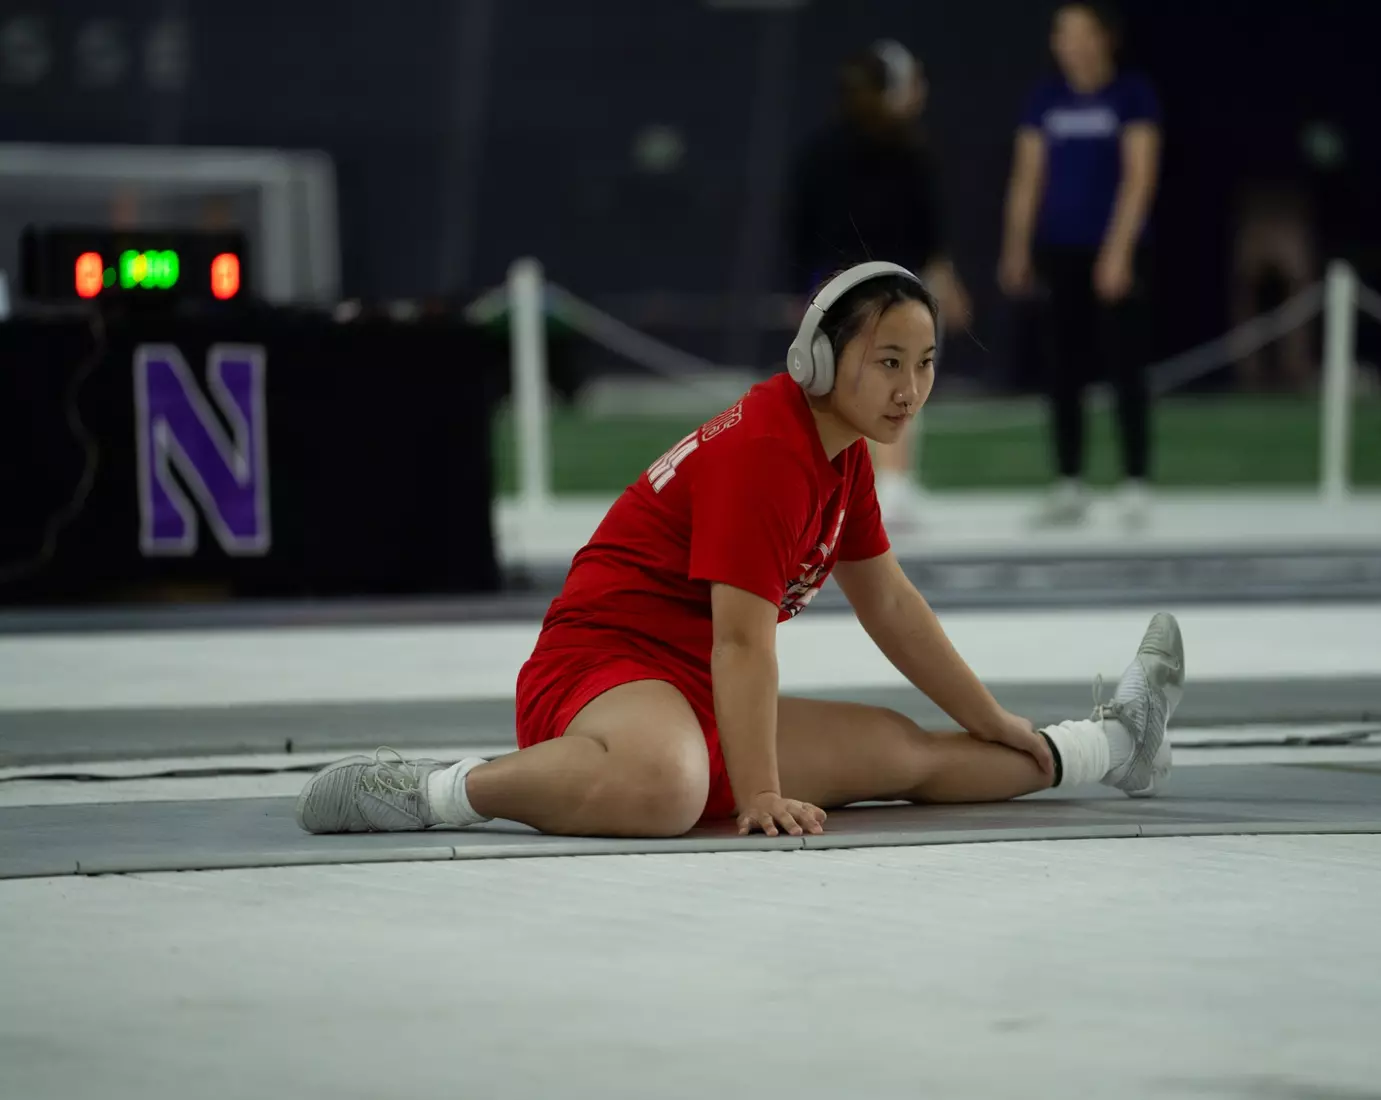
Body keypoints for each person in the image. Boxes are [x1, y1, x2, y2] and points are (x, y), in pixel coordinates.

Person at [296, 262, 1184, 840]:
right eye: (886, 362)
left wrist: (995, 718)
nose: (910, 388)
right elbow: (742, 641)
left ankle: (1112, 745)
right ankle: (434, 790)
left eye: (924, 363)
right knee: (670, 785)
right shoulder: (768, 451)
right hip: (603, 669)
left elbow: (892, 608)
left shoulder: (838, 458)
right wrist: (759, 791)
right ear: (817, 361)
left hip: (698, 684)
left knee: (907, 754)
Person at [785, 40, 972, 531]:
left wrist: (802, 290)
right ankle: (881, 486)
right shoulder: (891, 151)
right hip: (878, 288)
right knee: (888, 381)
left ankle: (884, 485)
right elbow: (805, 223)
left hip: (861, 286)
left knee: (862, 383)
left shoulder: (893, 151)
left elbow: (800, 227)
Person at [998, 1, 1162, 528]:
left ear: (1104, 37)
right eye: (1061, 33)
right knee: (1063, 367)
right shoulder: (1045, 99)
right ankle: (1068, 482)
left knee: (1124, 364)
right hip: (1059, 249)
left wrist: (1119, 250)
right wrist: (1017, 245)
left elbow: (1139, 177)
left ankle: (1136, 481)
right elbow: (1028, 177)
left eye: (1079, 32)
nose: (1069, 43)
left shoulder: (1131, 95)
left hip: (1114, 249)